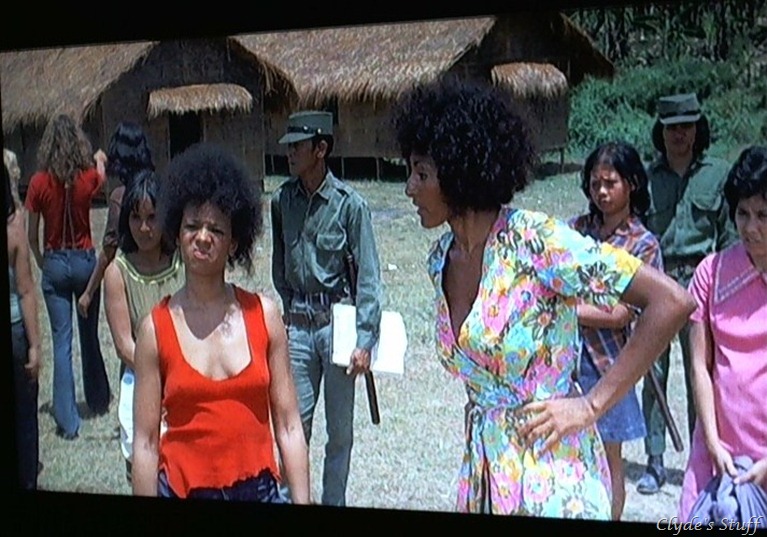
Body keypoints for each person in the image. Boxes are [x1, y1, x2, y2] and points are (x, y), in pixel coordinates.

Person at [392, 77, 696, 519]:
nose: (409, 188)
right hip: (485, 471)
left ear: (460, 170)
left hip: (552, 475)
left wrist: (590, 405)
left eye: (422, 174)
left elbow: (671, 302)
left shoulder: (536, 241)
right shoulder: (440, 259)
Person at [132, 142, 310, 503]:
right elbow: (146, 443)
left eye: (216, 229)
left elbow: (290, 426)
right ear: (176, 233)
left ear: (234, 243)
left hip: (259, 491)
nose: (202, 237)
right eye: (192, 226)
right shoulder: (155, 329)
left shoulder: (265, 316)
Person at [270, 110, 383, 506]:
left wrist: (365, 340)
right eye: (289, 146)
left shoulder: (350, 206)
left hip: (338, 328)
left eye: (298, 146)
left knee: (339, 433)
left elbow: (368, 277)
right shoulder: (282, 201)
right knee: (293, 426)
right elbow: (280, 265)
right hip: (298, 328)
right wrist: (289, 312)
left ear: (320, 149)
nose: (289, 153)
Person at [639, 92, 739, 495]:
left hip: (703, 284)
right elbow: (636, 233)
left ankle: (703, 460)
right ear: (660, 132)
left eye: (687, 126)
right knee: (654, 374)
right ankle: (654, 461)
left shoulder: (719, 175)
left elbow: (730, 237)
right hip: (658, 283)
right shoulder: (646, 178)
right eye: (671, 128)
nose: (679, 134)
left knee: (704, 375)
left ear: (698, 129)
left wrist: (725, 289)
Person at [568, 141, 662, 520]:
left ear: (632, 184)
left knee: (608, 459)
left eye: (610, 183)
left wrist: (570, 310)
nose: (602, 192)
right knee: (569, 457)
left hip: (609, 363)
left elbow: (621, 314)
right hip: (566, 360)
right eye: (595, 184)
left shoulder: (643, 244)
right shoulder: (575, 231)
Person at [678, 145, 767, 520]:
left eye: (763, 215)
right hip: (717, 450)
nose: (751, 228)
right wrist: (712, 442)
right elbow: (699, 365)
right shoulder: (710, 274)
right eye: (743, 213)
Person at [25, 113, 111, 439]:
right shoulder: (86, 178)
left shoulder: (38, 183)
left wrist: (41, 260)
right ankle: (98, 399)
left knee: (62, 342)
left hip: (56, 260)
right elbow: (101, 177)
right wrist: (99, 158)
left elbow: (32, 234)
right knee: (89, 336)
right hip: (84, 260)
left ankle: (67, 419)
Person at [103, 169, 184, 484]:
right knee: (145, 471)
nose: (144, 228)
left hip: (187, 377)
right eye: (136, 218)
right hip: (142, 382)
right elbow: (125, 345)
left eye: (152, 217)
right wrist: (160, 376)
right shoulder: (117, 273)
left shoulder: (183, 262)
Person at [78, 121, 155, 319]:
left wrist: (89, 292)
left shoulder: (120, 197)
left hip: (134, 278)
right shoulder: (155, 190)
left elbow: (109, 249)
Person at [6, 161, 42, 489]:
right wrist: (35, 346)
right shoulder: (14, 229)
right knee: (25, 416)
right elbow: (26, 289)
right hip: (16, 331)